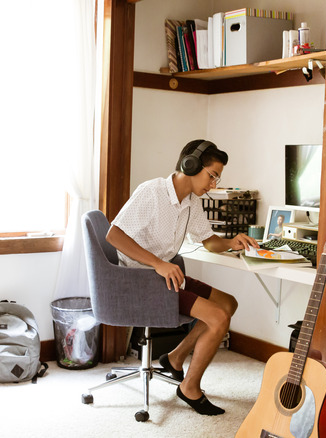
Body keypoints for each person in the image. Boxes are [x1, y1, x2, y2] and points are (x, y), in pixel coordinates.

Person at [106, 139, 258, 416]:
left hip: (161, 276)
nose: (213, 184)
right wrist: (158, 264)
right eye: (212, 176)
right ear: (191, 165)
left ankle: (174, 358)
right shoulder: (151, 192)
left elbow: (209, 241)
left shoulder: (191, 202)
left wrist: (231, 241)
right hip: (141, 280)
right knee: (218, 318)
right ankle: (189, 387)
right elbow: (114, 235)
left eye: (217, 178)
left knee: (228, 303)